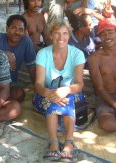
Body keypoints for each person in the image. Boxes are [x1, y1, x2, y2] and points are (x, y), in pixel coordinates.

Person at [32, 20, 85, 162]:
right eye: (56, 33)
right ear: (50, 35)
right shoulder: (43, 54)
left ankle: (66, 141)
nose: (61, 38)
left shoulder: (77, 54)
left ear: (69, 35)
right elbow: (38, 83)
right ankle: (57, 142)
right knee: (53, 101)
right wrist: (49, 93)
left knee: (68, 100)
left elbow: (79, 85)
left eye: (65, 33)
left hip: (71, 94)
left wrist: (65, 90)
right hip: (45, 94)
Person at [0, 15, 36, 102]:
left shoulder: (26, 41)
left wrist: (37, 87)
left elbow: (32, 66)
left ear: (24, 31)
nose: (17, 32)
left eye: (21, 30)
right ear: (6, 28)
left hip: (9, 83)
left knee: (18, 94)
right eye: (13, 28)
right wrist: (4, 54)